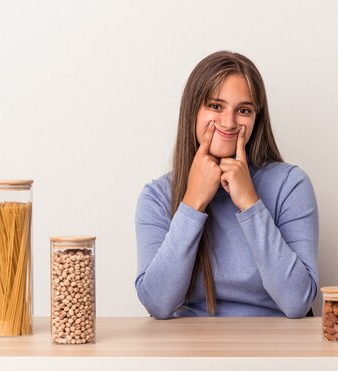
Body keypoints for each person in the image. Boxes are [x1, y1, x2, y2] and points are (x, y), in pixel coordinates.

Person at [134, 51, 319, 319]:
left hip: (276, 351)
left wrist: (250, 204)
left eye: (243, 110)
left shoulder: (291, 184)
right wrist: (192, 203)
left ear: (256, 118)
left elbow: (297, 302)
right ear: (192, 110)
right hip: (192, 351)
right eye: (216, 106)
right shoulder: (157, 196)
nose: (229, 122)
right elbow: (158, 304)